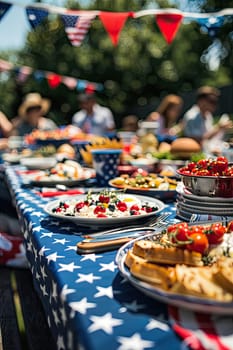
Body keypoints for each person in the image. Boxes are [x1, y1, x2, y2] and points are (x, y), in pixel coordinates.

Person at [182, 86, 233, 152]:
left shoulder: (207, 115)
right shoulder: (192, 117)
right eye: (212, 101)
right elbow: (197, 141)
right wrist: (218, 127)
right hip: (197, 154)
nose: (215, 105)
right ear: (201, 101)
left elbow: (208, 135)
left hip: (208, 151)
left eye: (215, 101)